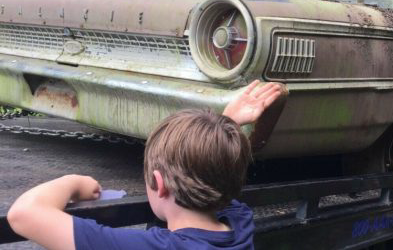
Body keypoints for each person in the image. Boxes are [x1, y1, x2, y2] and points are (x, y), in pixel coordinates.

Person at [7, 80, 285, 250]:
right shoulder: (240, 224)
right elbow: (218, 165)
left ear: (159, 184)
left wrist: (73, 181)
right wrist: (227, 124)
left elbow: (23, 214)